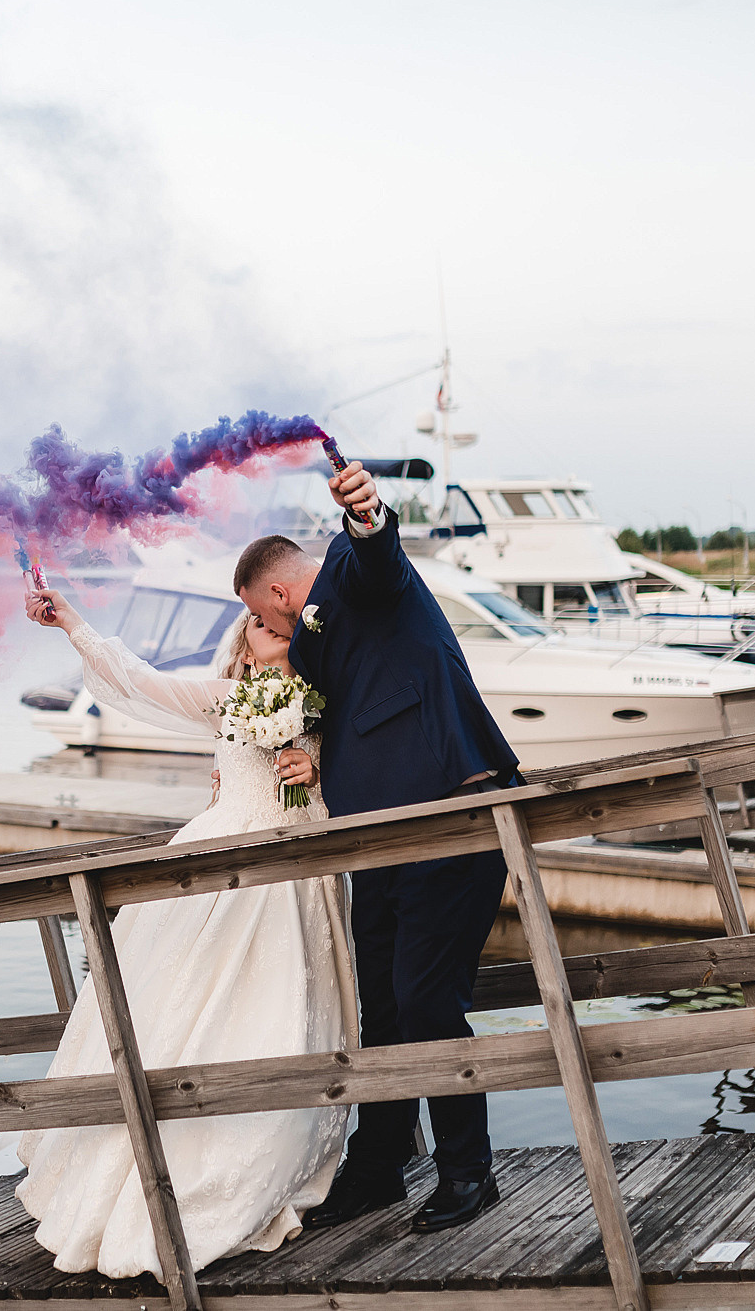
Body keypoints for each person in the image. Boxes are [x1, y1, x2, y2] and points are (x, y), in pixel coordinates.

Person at [0, 589, 358, 1279]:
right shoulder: (226, 697)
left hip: (298, 864)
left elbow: (367, 772)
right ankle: (161, 1167)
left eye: (271, 617)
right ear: (245, 645)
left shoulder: (327, 696)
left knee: (282, 1007)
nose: (261, 624)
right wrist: (72, 623)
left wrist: (322, 770)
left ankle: (268, 1146)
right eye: (251, 621)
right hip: (222, 858)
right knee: (185, 1002)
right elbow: (143, 681)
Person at [233, 459, 521, 1235]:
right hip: (381, 839)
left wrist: (366, 509)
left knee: (428, 1000)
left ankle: (468, 1172)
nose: (273, 629)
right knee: (383, 1006)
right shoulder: (318, 641)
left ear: (281, 594)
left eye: (267, 615)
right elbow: (357, 706)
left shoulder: (350, 580)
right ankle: (377, 1168)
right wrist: (318, 754)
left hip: (450, 818)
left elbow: (378, 552)